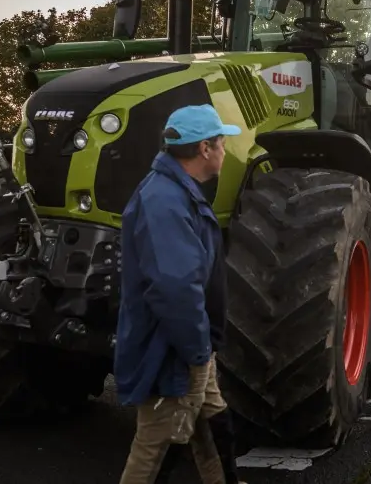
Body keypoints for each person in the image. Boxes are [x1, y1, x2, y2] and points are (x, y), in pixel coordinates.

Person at [115, 104, 245, 484]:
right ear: (205, 148)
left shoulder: (177, 192)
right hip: (173, 350)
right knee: (157, 442)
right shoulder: (165, 201)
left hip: (192, 343)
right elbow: (175, 288)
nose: (224, 150)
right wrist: (197, 352)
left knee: (211, 421)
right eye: (221, 142)